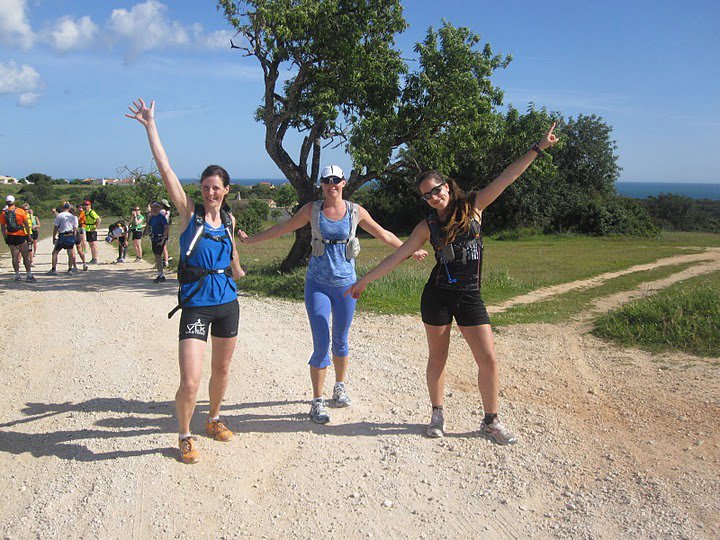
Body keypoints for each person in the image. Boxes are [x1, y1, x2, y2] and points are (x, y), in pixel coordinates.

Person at [346, 124, 560, 444]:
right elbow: (399, 256)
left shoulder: (474, 207)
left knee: (488, 359)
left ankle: (491, 421)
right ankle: (437, 414)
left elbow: (507, 177)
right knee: (438, 358)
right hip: (438, 297)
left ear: (447, 185)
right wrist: (364, 280)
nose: (434, 197)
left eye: (436, 190)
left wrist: (537, 148)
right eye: (427, 195)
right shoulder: (427, 226)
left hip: (470, 295)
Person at [238, 164, 427, 424]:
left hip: (346, 286)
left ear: (343, 182)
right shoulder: (312, 210)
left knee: (340, 339)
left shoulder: (355, 211)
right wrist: (251, 240)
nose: (331, 185)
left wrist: (410, 250)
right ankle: (317, 400)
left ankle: (339, 386)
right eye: (327, 180)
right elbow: (282, 228)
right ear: (322, 184)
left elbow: (382, 234)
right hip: (317, 284)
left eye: (336, 180)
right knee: (321, 343)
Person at [127, 97, 245, 464]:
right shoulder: (188, 214)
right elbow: (166, 170)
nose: (210, 193)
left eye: (216, 187)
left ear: (226, 190)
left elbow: (230, 249)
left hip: (227, 304)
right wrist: (151, 126)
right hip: (196, 305)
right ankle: (184, 434)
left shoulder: (229, 220)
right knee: (190, 381)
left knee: (221, 370)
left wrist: (237, 268)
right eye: (206, 187)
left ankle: (213, 418)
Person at [1, 195, 36, 282]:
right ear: (14, 202)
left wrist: (5, 237)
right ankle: (29, 275)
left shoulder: (4, 213)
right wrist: (29, 236)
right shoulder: (20, 211)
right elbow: (26, 224)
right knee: (25, 256)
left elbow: (3, 227)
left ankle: (17, 276)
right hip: (20, 235)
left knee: (14, 256)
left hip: (10, 235)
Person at [49, 202, 79, 275]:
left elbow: (56, 227)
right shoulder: (73, 217)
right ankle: (70, 269)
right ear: (69, 208)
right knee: (70, 253)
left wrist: (54, 237)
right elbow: (75, 229)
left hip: (62, 235)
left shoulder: (59, 216)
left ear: (62, 208)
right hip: (70, 235)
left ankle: (54, 269)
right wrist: (74, 238)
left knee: (55, 252)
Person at [146, 202, 169, 282]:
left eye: (156, 207)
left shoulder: (161, 217)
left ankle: (161, 275)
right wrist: (149, 233)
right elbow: (149, 227)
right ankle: (160, 274)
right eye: (153, 207)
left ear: (159, 208)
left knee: (158, 256)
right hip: (154, 238)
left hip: (160, 238)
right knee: (156, 256)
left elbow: (166, 228)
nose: (155, 209)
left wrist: (163, 239)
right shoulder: (152, 218)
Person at [69, 204, 88, 271]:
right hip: (77, 234)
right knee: (79, 249)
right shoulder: (75, 218)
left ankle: (75, 266)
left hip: (70, 234)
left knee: (72, 251)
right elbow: (76, 226)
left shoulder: (67, 218)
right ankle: (84, 263)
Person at [160, 198, 173, 267]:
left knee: (162, 246)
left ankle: (165, 261)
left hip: (161, 229)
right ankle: (166, 260)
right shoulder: (168, 212)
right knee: (164, 245)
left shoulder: (162, 211)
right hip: (166, 229)